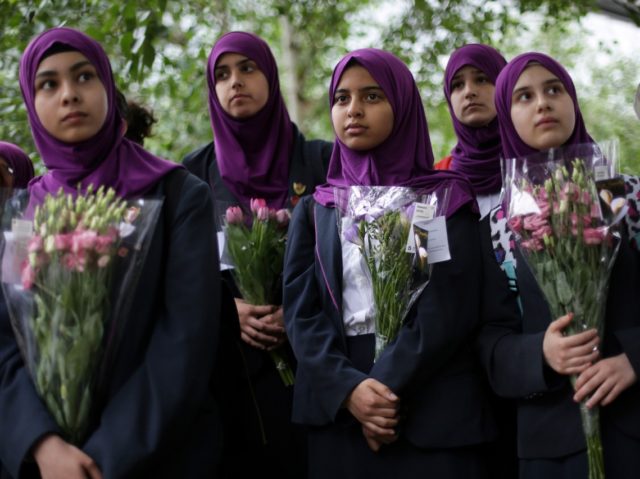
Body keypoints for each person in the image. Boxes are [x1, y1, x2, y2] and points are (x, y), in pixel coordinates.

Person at [283, 48, 519, 479]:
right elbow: (301, 313)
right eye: (342, 98)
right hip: (339, 412)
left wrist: (383, 389)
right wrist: (350, 390)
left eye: (372, 97)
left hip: (429, 407)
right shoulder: (319, 208)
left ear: (402, 104)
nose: (354, 109)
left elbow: (444, 305)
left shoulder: (436, 199)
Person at [0, 27, 222, 478]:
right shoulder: (24, 210)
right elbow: (7, 335)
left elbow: (184, 341)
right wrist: (42, 444)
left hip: (155, 456)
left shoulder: (178, 195)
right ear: (31, 100)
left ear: (106, 85)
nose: (69, 95)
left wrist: (105, 457)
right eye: (49, 83)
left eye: (84, 77)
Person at [183, 31, 331, 478]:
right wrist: (229, 309)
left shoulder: (321, 161)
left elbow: (347, 261)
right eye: (222, 74)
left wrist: (298, 315)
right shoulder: (191, 175)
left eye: (247, 68)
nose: (236, 82)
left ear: (269, 75)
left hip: (312, 370)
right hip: (229, 379)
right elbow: (182, 275)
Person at [485, 51, 640, 478]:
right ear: (505, 115)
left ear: (572, 99)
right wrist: (540, 353)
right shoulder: (499, 222)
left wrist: (634, 359)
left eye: (554, 90)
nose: (542, 103)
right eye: (524, 96)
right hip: (550, 444)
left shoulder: (623, 196)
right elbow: (487, 338)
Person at [438, 43, 517, 478]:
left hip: (545, 357)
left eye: (483, 79)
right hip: (463, 375)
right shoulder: (436, 178)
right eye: (457, 84)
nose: (469, 91)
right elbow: (420, 272)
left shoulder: (541, 166)